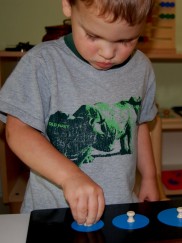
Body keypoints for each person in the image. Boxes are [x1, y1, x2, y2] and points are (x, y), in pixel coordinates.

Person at [0, 0, 159, 226]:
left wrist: (151, 178)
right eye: (93, 36)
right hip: (53, 215)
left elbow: (138, 126)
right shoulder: (41, 62)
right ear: (67, 5)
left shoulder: (142, 67)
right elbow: (17, 131)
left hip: (121, 211)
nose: (108, 53)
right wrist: (69, 176)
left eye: (126, 40)